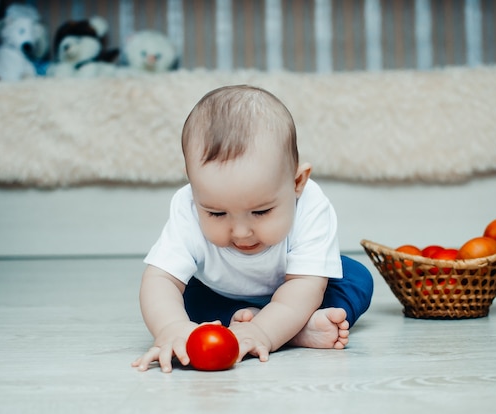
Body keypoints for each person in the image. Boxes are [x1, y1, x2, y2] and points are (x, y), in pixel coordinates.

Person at [131, 85, 373, 373]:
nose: (242, 232)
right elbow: (160, 278)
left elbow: (305, 285)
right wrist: (171, 327)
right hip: (220, 291)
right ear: (193, 188)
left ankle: (279, 329)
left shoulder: (311, 205)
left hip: (295, 288)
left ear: (297, 182)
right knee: (185, 298)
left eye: (261, 212)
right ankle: (270, 328)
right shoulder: (187, 206)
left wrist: (264, 333)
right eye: (217, 213)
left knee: (356, 278)